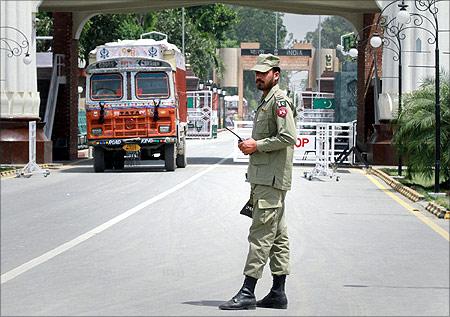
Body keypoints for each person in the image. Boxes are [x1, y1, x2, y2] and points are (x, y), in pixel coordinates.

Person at [219, 54, 297, 311]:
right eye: (256, 73)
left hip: (270, 180)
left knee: (261, 235)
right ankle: (278, 292)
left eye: (264, 73)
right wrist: (250, 145)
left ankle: (247, 291)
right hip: (266, 178)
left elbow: (288, 136)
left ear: (276, 74)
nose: (258, 77)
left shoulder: (279, 101)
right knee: (278, 237)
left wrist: (257, 145)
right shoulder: (266, 101)